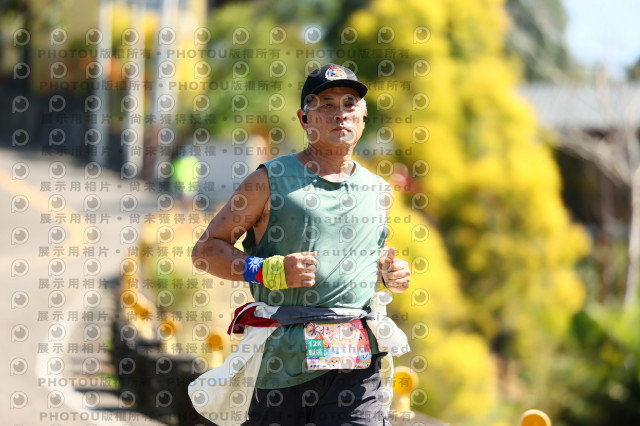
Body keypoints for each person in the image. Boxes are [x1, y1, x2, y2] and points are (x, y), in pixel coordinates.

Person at [189, 63, 411, 426]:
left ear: (364, 116)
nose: (340, 113)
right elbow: (206, 251)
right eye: (327, 105)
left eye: (350, 103)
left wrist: (390, 274)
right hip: (282, 365)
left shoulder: (378, 191)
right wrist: (268, 270)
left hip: (356, 365)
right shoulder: (268, 180)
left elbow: (367, 266)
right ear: (304, 118)